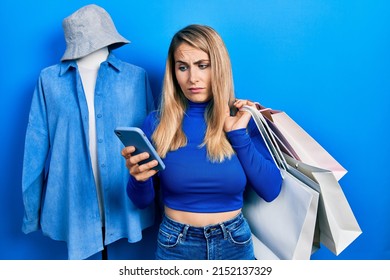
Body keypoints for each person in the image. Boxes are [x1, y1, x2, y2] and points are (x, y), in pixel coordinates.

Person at [121, 24, 283, 260]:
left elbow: (271, 190)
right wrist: (139, 178)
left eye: (202, 66)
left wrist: (238, 135)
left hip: (234, 243)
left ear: (219, 67)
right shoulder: (157, 124)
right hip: (175, 244)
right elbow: (141, 202)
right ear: (173, 72)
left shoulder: (243, 118)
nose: (192, 78)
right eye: (183, 67)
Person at [21, 4, 156, 260]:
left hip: (125, 201)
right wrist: (32, 213)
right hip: (71, 203)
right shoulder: (48, 81)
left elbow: (153, 146)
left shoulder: (136, 78)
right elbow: (34, 151)